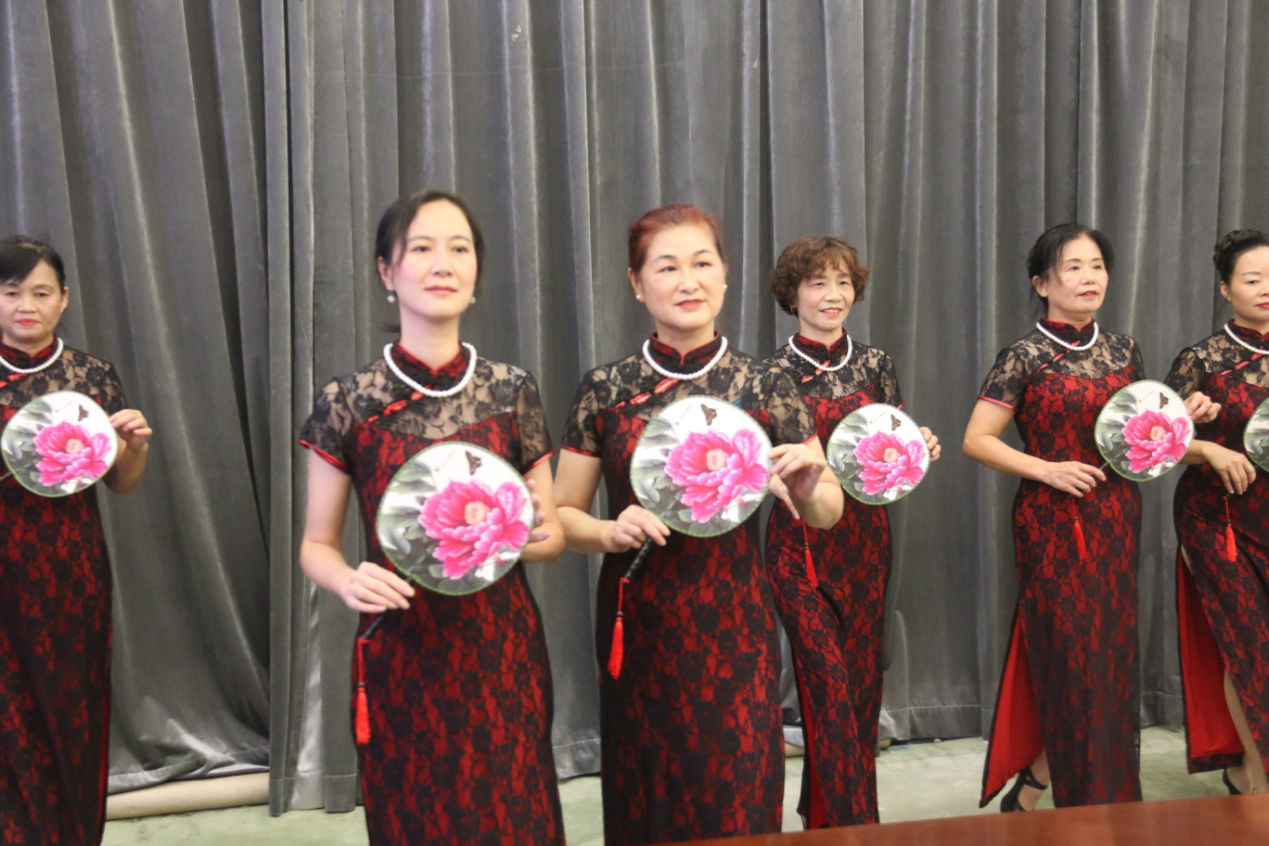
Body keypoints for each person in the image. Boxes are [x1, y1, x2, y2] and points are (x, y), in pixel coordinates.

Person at [553, 204, 843, 845]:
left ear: (725, 274)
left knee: (736, 799)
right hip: (639, 623)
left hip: (734, 622)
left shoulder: (765, 383)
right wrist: (607, 531)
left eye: (702, 263)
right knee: (647, 800)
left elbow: (828, 512)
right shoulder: (606, 389)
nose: (688, 281)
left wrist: (807, 487)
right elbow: (560, 514)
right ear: (637, 284)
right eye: (667, 267)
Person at [298, 190, 565, 845]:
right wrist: (347, 580)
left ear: (476, 273)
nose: (442, 263)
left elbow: (551, 532)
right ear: (386, 272)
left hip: (501, 649)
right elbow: (316, 545)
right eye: (421, 248)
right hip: (401, 651)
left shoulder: (511, 390)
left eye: (459, 249)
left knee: (512, 818)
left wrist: (517, 536)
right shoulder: (347, 401)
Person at [963, 223, 1214, 810]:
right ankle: (1079, 803)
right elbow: (977, 439)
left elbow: (1139, 438)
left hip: (1117, 516)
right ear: (1042, 283)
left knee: (1109, 660)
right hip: (1051, 523)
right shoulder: (1023, 355)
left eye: (1096, 266)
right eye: (1073, 267)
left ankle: (1060, 788)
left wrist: (1184, 418)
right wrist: (1045, 469)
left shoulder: (1124, 350)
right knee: (1071, 659)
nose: (1088, 277)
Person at [763, 236, 940, 826]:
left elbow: (890, 450)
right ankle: (854, 824)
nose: (832, 294)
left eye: (842, 282)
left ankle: (829, 818)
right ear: (793, 296)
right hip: (799, 546)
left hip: (867, 543)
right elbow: (762, 463)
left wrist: (918, 445)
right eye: (817, 282)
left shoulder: (876, 364)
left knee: (862, 691)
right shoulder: (771, 374)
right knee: (828, 690)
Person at [0, 236, 151, 844]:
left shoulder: (91, 376)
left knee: (73, 706)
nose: (26, 306)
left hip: (72, 568)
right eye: (12, 292)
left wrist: (135, 446)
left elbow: (122, 482)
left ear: (63, 300)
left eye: (41, 293)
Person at [1167, 229, 1269, 795]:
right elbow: (1156, 443)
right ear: (1227, 289)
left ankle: (1242, 770)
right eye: (1253, 280)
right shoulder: (1202, 359)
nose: (1266, 289)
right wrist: (1198, 436)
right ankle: (1257, 781)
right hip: (1216, 519)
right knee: (1248, 646)